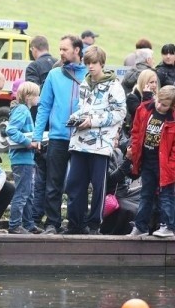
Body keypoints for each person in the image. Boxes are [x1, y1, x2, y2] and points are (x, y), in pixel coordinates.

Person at [64, 46, 126, 234]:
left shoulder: (114, 85)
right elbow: (83, 108)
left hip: (100, 145)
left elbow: (119, 113)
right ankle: (75, 224)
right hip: (79, 142)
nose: (90, 67)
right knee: (74, 184)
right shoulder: (85, 83)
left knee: (98, 187)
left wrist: (93, 121)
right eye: (87, 63)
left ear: (102, 63)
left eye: (94, 63)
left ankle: (93, 225)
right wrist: (75, 119)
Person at [32, 34, 87, 235]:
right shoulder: (54, 75)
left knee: (78, 183)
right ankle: (52, 223)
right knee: (53, 183)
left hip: (82, 137)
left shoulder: (89, 75)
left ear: (77, 50)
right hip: (58, 136)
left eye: (65, 49)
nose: (61, 53)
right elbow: (44, 107)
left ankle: (76, 224)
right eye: (60, 49)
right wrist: (37, 136)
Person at [127, 85, 175, 238]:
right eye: (159, 102)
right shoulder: (145, 109)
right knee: (145, 194)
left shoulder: (172, 119)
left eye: (165, 105)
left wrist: (171, 165)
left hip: (165, 164)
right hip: (147, 160)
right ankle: (140, 226)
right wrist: (134, 152)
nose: (160, 106)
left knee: (166, 195)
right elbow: (135, 131)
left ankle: (167, 226)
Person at [25, 35, 57, 227]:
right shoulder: (57, 64)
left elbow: (33, 98)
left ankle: (35, 216)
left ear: (33, 48)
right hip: (57, 130)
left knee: (40, 176)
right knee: (54, 177)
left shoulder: (33, 67)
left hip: (41, 128)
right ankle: (51, 217)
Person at [6, 81, 41, 234]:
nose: (38, 98)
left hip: (27, 159)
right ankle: (14, 225)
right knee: (22, 192)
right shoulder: (22, 110)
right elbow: (11, 130)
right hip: (22, 160)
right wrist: (28, 143)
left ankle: (28, 224)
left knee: (29, 193)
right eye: (36, 95)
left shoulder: (22, 109)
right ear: (28, 96)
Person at [124, 69, 158, 137]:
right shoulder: (132, 97)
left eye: (155, 82)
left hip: (153, 131)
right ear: (144, 82)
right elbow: (142, 114)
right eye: (151, 82)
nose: (154, 85)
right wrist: (147, 96)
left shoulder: (156, 96)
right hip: (138, 133)